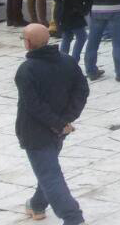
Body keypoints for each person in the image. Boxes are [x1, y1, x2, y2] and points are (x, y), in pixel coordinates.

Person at [14, 23, 88, 225]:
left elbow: (33, 106)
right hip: (59, 131)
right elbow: (82, 91)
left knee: (50, 175)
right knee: (48, 169)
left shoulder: (26, 70)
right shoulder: (68, 61)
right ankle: (37, 205)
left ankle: (73, 217)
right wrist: (66, 120)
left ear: (28, 44)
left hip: (36, 133)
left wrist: (60, 123)